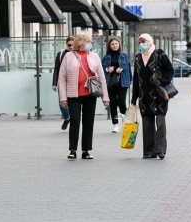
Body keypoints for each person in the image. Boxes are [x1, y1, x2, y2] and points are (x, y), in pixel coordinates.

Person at [58, 32, 109, 160]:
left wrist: (105, 97)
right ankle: (73, 149)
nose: (89, 44)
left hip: (90, 94)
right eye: (87, 41)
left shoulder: (94, 56)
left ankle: (86, 150)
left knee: (88, 122)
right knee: (75, 121)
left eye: (89, 42)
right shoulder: (68, 56)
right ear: (80, 43)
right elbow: (61, 78)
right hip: (73, 95)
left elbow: (102, 78)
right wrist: (63, 97)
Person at [130, 33, 175, 160]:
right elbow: (135, 79)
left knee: (160, 121)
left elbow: (170, 70)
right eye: (140, 42)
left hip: (158, 95)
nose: (142, 44)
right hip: (144, 96)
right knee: (147, 123)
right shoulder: (138, 58)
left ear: (150, 42)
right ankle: (149, 151)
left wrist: (161, 81)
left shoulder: (159, 54)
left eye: (144, 42)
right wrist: (134, 98)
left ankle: (160, 150)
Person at [101, 37, 132, 134]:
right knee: (113, 103)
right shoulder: (106, 57)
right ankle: (115, 125)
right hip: (110, 83)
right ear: (109, 46)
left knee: (121, 102)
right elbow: (102, 69)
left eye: (116, 44)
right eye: (112, 44)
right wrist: (107, 70)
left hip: (122, 82)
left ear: (119, 45)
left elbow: (127, 68)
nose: (114, 45)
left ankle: (125, 119)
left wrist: (122, 71)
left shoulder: (124, 55)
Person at [52, 36, 74, 130]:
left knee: (73, 103)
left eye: (73, 45)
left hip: (73, 81)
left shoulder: (77, 54)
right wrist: (54, 83)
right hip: (62, 81)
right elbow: (56, 69)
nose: (71, 47)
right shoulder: (61, 54)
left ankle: (73, 120)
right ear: (66, 44)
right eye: (69, 45)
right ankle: (67, 118)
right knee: (62, 103)